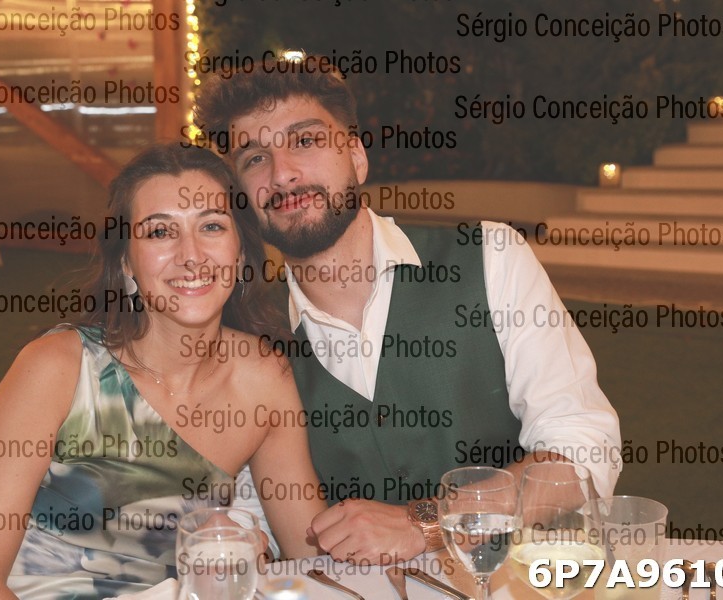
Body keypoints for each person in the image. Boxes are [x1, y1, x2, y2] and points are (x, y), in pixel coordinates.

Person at [194, 55, 622, 565]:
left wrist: (431, 520)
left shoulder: (490, 257)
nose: (283, 174)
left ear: (356, 157)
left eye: (305, 141)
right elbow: (256, 514)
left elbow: (583, 449)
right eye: (254, 158)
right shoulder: (250, 337)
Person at [0, 144, 325, 599]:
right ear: (126, 261)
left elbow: (310, 556)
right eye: (161, 231)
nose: (191, 255)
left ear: (240, 253)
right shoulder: (57, 368)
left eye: (212, 226)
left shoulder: (263, 379)